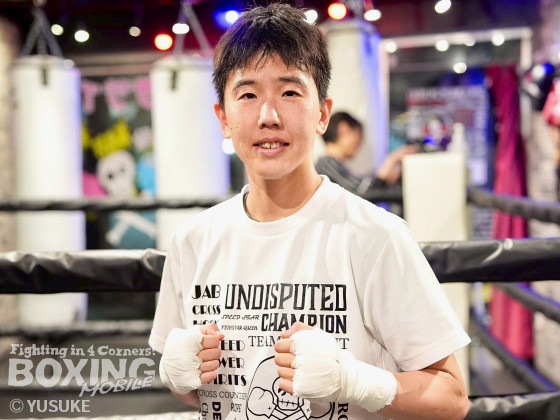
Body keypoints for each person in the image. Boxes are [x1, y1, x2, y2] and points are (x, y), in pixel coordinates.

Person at [149, 3, 470, 420]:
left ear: (322, 114)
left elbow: (452, 398)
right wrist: (181, 379)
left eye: (289, 92)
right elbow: (201, 391)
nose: (268, 116)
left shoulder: (375, 236)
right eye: (248, 95)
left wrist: (356, 381)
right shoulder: (192, 242)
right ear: (223, 118)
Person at [315, 111, 417, 195]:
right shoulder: (327, 164)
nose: (359, 144)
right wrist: (392, 159)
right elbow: (365, 192)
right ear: (344, 129)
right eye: (359, 136)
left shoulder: (328, 164)